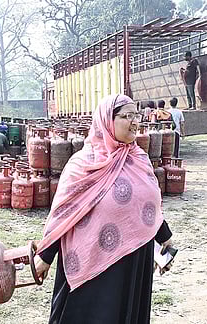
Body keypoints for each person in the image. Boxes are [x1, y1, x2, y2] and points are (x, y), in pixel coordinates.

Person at [34, 94, 175, 323]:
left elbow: (147, 204)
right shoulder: (83, 163)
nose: (134, 121)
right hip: (92, 259)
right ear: (107, 120)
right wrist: (46, 255)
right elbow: (65, 213)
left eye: (136, 115)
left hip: (133, 257)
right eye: (127, 116)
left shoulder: (139, 158)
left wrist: (165, 238)